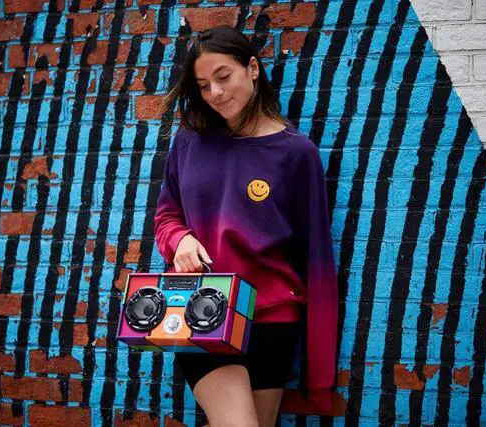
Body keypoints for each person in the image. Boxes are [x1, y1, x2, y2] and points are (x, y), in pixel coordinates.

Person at [153, 26, 338, 427]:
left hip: (273, 321)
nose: (216, 93)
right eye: (204, 85)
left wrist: (320, 370)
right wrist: (180, 240)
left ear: (253, 68)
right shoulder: (189, 141)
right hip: (202, 312)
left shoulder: (296, 153)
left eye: (224, 77)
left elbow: (317, 256)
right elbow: (166, 215)